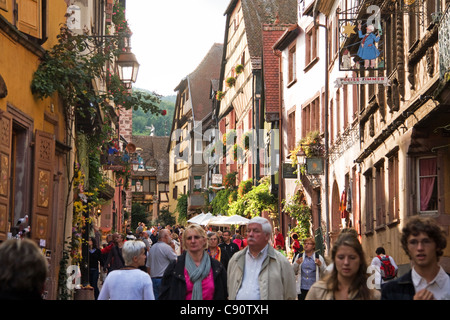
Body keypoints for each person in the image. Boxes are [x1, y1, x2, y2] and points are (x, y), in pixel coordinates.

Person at [227, 217, 297, 300]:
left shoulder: (281, 262)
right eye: (248, 231)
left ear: (267, 236)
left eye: (256, 231)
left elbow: (290, 295)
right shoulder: (235, 259)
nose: (250, 234)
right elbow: (230, 287)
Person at [382, 216, 450, 300]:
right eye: (413, 242)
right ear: (407, 247)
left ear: (438, 245)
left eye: (426, 241)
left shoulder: (448, 283)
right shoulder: (391, 290)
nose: (420, 248)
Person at [159, 224, 228, 300]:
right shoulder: (175, 266)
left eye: (196, 237)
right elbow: (164, 295)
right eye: (189, 238)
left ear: (204, 240)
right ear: (185, 242)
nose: (193, 241)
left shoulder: (217, 267)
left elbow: (224, 294)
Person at [305, 233, 380, 300]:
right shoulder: (318, 291)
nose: (346, 262)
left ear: (360, 260)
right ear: (334, 259)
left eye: (352, 257)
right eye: (341, 257)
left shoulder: (373, 296)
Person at [146, 228, 178, 299]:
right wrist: (173, 249)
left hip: (153, 279)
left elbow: (148, 266)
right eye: (170, 234)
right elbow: (176, 261)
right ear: (166, 236)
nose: (171, 236)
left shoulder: (152, 248)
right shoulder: (166, 248)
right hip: (163, 279)